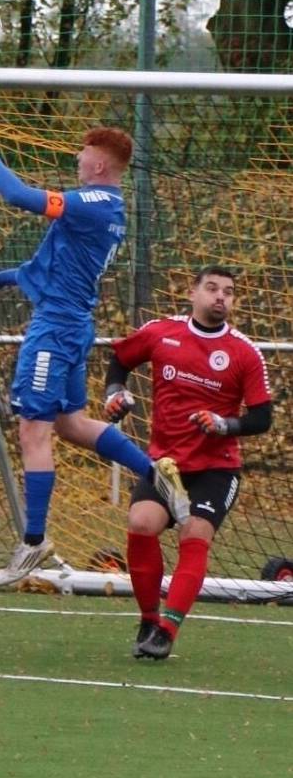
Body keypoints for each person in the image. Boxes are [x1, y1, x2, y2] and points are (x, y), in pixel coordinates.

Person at [0, 128, 190, 582]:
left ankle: (34, 541)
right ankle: (156, 472)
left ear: (100, 165)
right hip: (72, 324)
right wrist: (3, 277)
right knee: (69, 424)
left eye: (83, 155)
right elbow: (59, 265)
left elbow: (16, 194)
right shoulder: (109, 210)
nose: (78, 161)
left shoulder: (89, 203)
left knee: (33, 430)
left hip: (55, 330)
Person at [105, 267, 272, 660]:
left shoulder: (244, 352)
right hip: (165, 465)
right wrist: (115, 392)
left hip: (217, 468)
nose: (220, 297)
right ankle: (148, 620)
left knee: (194, 535)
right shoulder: (161, 333)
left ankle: (167, 629)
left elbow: (263, 418)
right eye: (212, 289)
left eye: (228, 292)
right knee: (141, 525)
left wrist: (224, 424)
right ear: (192, 293)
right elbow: (120, 360)